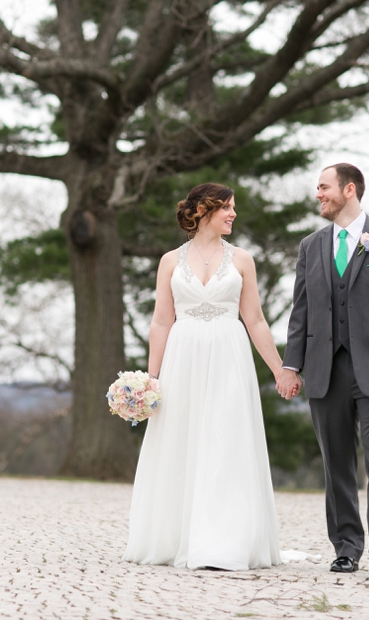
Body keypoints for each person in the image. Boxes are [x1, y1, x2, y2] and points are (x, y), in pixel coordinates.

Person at [123, 183, 286, 570]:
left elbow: (256, 320)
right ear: (201, 211)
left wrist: (281, 370)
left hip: (229, 356)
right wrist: (151, 378)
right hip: (183, 357)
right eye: (226, 207)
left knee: (226, 441)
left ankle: (223, 542)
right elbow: (162, 320)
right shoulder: (169, 261)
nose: (233, 214)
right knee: (182, 439)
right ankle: (178, 537)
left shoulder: (243, 259)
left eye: (233, 208)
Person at [276, 163, 369, 578]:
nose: (318, 195)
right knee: (337, 464)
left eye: (323, 187)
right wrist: (291, 366)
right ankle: (346, 547)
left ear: (349, 190)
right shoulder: (310, 246)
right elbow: (300, 312)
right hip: (326, 371)